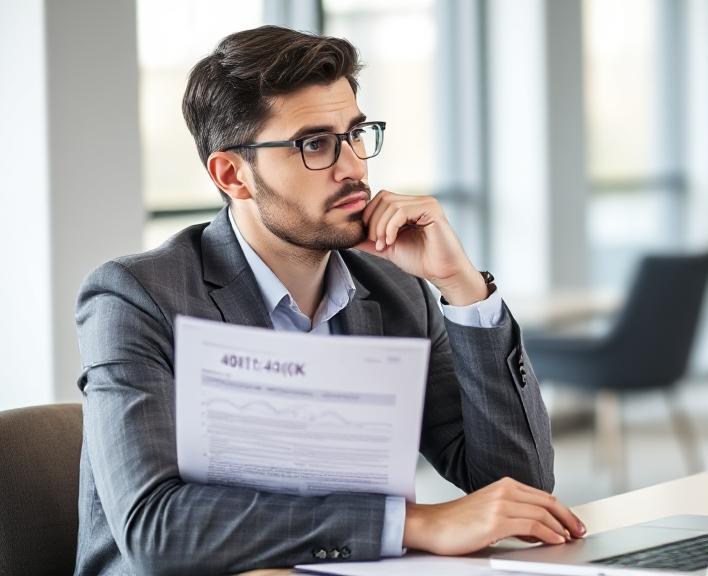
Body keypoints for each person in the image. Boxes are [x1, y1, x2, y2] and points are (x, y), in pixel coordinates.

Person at [74, 25, 585, 576]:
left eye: (356, 134)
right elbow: (156, 529)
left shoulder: (395, 291)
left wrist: (461, 288)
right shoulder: (137, 297)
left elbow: (517, 490)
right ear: (232, 174)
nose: (354, 167)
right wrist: (412, 524)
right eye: (314, 144)